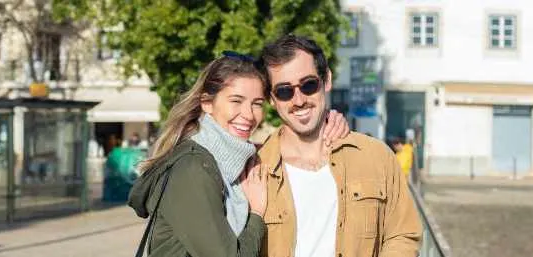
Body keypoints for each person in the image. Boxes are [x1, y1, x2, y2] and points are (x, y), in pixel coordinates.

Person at [127, 52, 350, 257]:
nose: (248, 115)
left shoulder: (231, 161)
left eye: (257, 104)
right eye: (236, 101)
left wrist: (326, 123)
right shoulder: (191, 168)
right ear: (207, 103)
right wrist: (256, 213)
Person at [255, 34, 421, 257]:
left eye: (308, 85)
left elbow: (402, 234)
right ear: (272, 99)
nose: (299, 100)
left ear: (327, 80)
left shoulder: (376, 156)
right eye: (284, 91)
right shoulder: (254, 170)